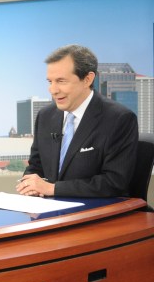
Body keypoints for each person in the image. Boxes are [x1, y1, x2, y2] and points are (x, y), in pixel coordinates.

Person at [16, 44, 138, 198]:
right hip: (50, 207)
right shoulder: (45, 116)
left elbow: (114, 182)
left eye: (61, 81)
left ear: (87, 79)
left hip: (98, 208)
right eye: (50, 82)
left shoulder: (119, 119)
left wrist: (53, 189)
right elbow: (35, 166)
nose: (53, 90)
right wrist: (30, 185)